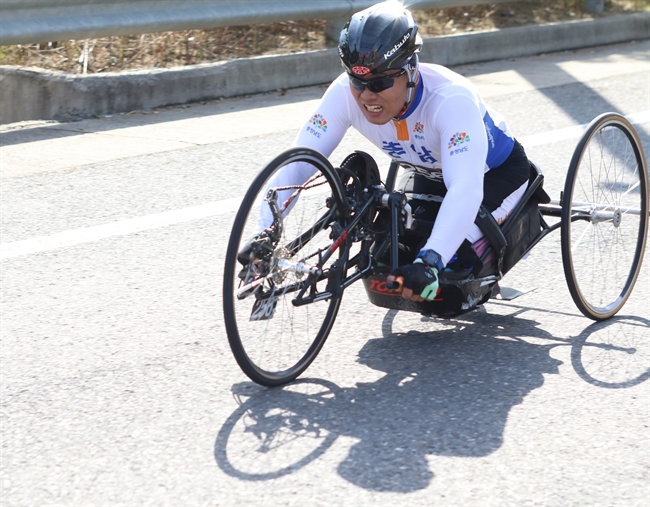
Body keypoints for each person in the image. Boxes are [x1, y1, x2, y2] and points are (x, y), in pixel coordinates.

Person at [252, 0, 531, 303]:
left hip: (496, 175)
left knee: (451, 262)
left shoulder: (450, 100)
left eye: (381, 82)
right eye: (357, 81)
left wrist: (431, 260)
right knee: (387, 254)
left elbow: (465, 188)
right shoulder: (344, 94)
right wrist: (265, 232)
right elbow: (300, 160)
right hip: (426, 173)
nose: (367, 96)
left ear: (411, 70)